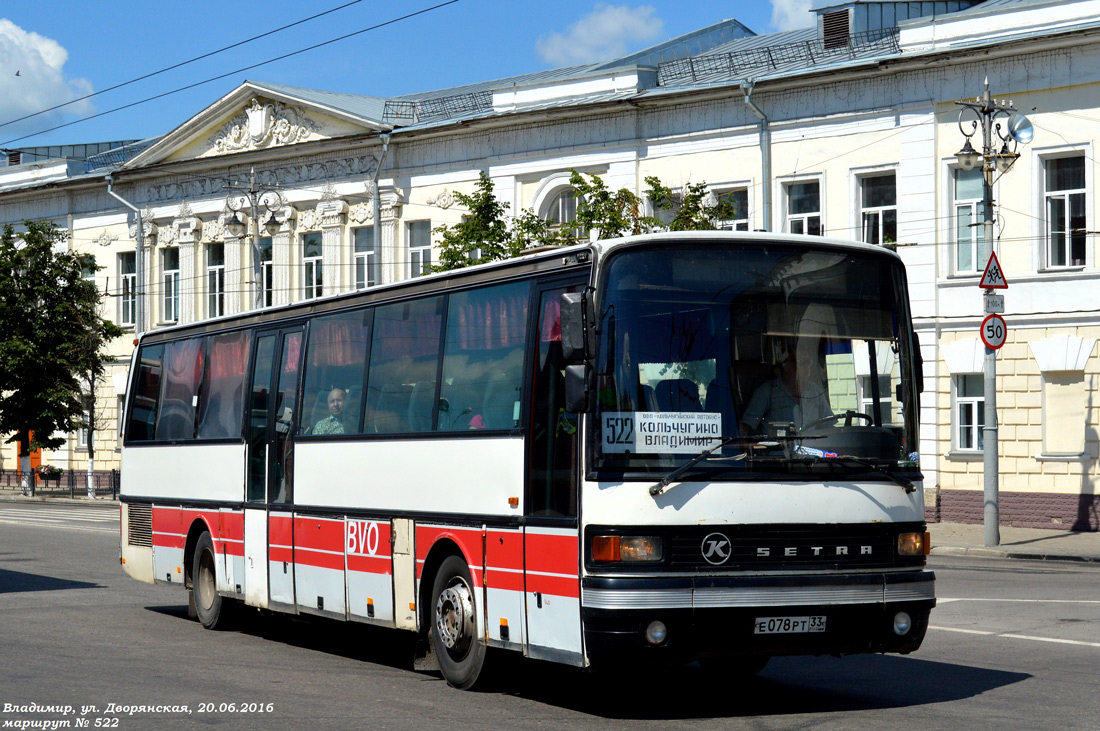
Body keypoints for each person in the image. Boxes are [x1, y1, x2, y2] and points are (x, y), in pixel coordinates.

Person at [739, 341, 832, 434]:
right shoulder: (766, 392)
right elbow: (746, 427)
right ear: (785, 365)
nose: (805, 366)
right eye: (800, 362)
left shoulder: (814, 390)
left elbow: (828, 425)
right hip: (779, 447)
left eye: (807, 361)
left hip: (811, 447)